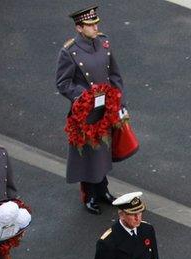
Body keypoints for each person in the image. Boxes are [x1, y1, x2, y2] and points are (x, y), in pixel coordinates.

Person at [56, 5, 124, 214]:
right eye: (90, 25)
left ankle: (102, 190)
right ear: (79, 28)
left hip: (105, 109)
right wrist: (83, 95)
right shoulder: (70, 52)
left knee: (102, 151)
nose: (95, 27)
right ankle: (90, 195)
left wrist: (120, 103)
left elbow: (114, 75)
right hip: (85, 113)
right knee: (87, 156)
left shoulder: (103, 43)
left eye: (96, 23)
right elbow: (63, 82)